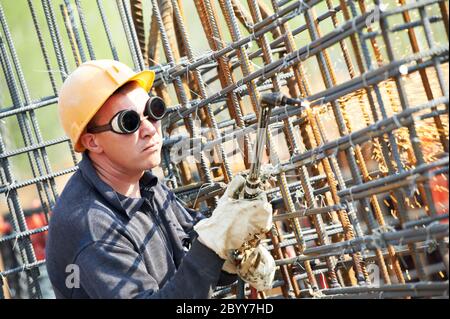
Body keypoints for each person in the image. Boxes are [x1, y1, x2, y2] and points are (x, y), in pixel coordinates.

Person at [46, 60, 274, 299]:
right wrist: (212, 244)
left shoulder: (142, 184)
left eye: (152, 111)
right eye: (128, 122)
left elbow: (193, 256)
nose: (149, 129)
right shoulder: (92, 227)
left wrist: (233, 248)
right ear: (92, 142)